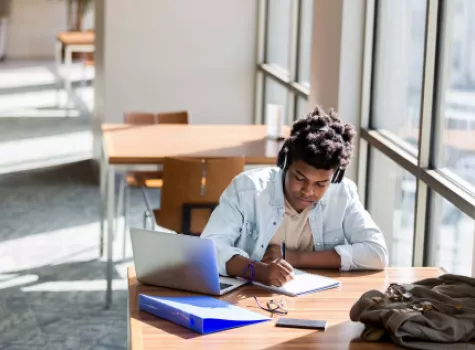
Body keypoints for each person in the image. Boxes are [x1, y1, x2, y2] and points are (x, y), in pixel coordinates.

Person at [201, 105, 388, 287]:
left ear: (334, 177)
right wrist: (257, 271)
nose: (308, 191)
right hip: (251, 297)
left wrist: (293, 257)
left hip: (316, 299)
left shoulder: (343, 193)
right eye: (300, 178)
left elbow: (377, 253)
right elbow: (209, 249)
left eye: (321, 184)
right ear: (285, 164)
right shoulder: (247, 189)